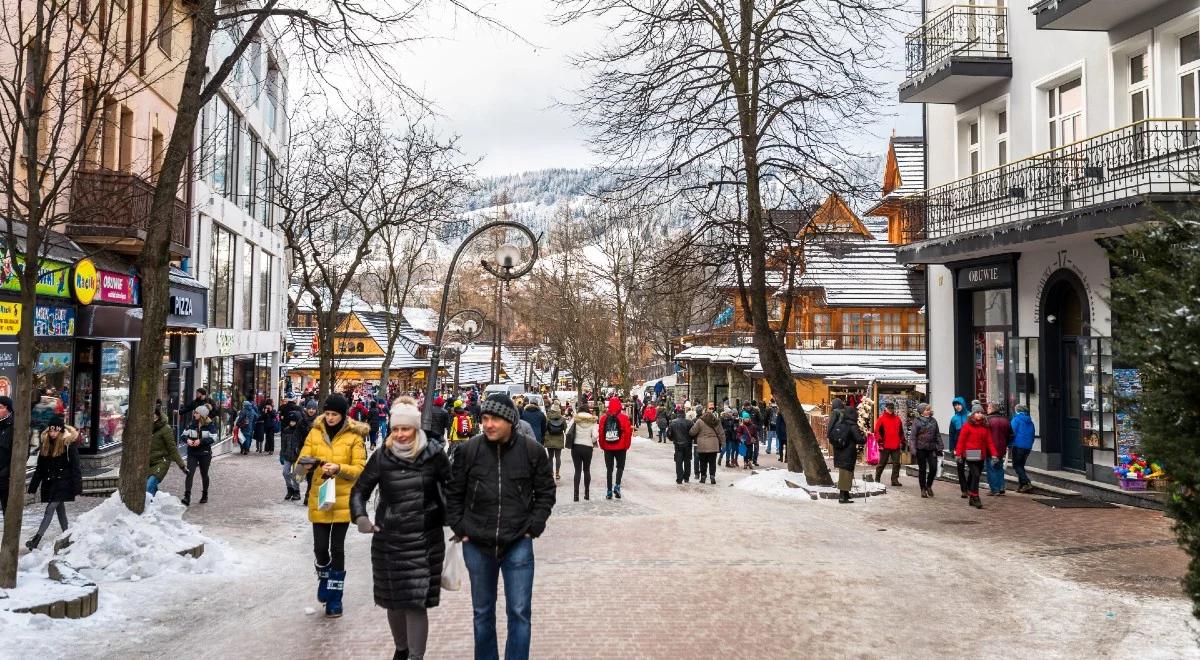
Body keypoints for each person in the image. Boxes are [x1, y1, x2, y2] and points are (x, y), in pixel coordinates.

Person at [444, 393, 556, 660]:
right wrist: (460, 527)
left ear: (510, 421)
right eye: (484, 418)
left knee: (519, 612)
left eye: (495, 418)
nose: (489, 424)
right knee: (482, 613)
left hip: (518, 540)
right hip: (477, 543)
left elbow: (546, 492)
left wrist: (535, 525)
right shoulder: (468, 451)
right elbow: (454, 492)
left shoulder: (532, 452)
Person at [351, 397, 451, 660]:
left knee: (415, 603)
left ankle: (416, 657)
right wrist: (360, 516)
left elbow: (453, 488)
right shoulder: (382, 456)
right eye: (395, 429)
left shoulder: (433, 454)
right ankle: (401, 650)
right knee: (393, 601)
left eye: (405, 429)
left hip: (425, 539)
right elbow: (360, 490)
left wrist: (456, 518)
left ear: (416, 428)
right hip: (389, 540)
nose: (400, 434)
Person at [294, 393, 367, 617]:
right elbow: (301, 461)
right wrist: (305, 465)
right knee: (319, 548)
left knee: (337, 549)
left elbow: (360, 469)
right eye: (327, 413)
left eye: (334, 414)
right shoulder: (315, 432)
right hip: (322, 497)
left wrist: (339, 468)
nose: (330, 417)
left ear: (343, 415)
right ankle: (324, 580)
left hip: (343, 499)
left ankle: (335, 598)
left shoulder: (355, 437)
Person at [24, 416, 82, 549]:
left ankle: (36, 539)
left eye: (56, 431)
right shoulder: (46, 444)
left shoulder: (68, 445)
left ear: (61, 431)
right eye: (51, 431)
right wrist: (33, 486)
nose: (53, 433)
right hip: (51, 484)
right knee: (60, 511)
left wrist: (77, 486)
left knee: (50, 509)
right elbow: (40, 469)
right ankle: (67, 536)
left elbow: (76, 467)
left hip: (64, 484)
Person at [828, 399, 866, 504]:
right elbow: (859, 439)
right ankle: (842, 497)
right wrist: (865, 437)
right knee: (846, 475)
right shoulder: (852, 425)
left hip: (840, 452)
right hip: (848, 453)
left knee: (844, 474)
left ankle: (845, 494)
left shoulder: (842, 423)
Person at [954, 404, 993, 509]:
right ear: (973, 414)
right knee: (975, 475)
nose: (979, 414)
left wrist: (994, 454)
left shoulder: (985, 426)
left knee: (976, 476)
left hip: (981, 454)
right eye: (977, 412)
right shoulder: (967, 426)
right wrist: (958, 454)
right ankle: (975, 497)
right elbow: (961, 441)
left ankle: (972, 497)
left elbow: (989, 442)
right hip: (970, 453)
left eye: (981, 413)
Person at [181, 405, 219, 506]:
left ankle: (205, 494)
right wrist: (187, 440)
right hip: (192, 452)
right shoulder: (191, 423)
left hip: (204, 453)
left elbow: (214, 438)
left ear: (202, 415)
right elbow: (183, 435)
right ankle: (187, 496)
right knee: (189, 473)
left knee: (204, 474)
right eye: (195, 412)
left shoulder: (210, 425)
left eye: (196, 413)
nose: (194, 414)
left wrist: (201, 441)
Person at [597, 395, 633, 499]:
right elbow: (628, 433)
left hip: (608, 447)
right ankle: (617, 485)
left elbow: (601, 433)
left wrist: (602, 445)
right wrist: (626, 446)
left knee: (609, 469)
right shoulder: (624, 417)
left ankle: (608, 490)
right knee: (620, 467)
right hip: (621, 447)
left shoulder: (603, 418)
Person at [147, 408, 187, 496]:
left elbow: (172, 449)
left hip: (161, 462)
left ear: (157, 416)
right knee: (152, 489)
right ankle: (154, 506)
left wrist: (182, 466)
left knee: (148, 487)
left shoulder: (166, 429)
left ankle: (148, 507)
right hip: (148, 463)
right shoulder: (147, 428)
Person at [908, 403, 942, 498]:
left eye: (929, 409)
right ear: (922, 412)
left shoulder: (934, 421)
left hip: (931, 448)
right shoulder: (917, 421)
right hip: (921, 449)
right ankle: (923, 488)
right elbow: (913, 437)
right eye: (927, 410)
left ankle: (929, 485)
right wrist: (913, 449)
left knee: (933, 468)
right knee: (922, 469)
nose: (929, 411)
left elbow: (938, 434)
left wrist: (940, 446)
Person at [565, 406, 598, 501]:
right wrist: (591, 441)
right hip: (587, 447)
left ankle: (576, 495)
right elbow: (595, 435)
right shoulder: (592, 420)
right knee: (587, 470)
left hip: (576, 447)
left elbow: (568, 431)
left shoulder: (575, 419)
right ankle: (587, 494)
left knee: (577, 471)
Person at [873, 401, 905, 487]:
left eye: (892, 408)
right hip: (885, 445)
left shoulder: (897, 419)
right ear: (885, 409)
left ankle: (894, 480)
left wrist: (903, 441)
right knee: (882, 463)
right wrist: (880, 441)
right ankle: (877, 478)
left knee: (897, 463)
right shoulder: (881, 419)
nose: (890, 410)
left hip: (895, 445)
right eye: (889, 408)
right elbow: (877, 431)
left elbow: (901, 432)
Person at [985, 402, 1013, 496]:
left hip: (990, 448)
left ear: (992, 409)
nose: (987, 409)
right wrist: (1007, 444)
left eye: (988, 408)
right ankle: (1001, 487)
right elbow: (1011, 435)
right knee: (999, 468)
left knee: (991, 468)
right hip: (1001, 448)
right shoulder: (1005, 420)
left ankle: (994, 489)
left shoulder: (987, 420)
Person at [690, 406, 722, 485]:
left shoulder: (699, 421)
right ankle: (712, 476)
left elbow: (692, 432)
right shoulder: (716, 421)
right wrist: (722, 443)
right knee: (712, 462)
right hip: (713, 445)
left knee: (703, 462)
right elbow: (721, 433)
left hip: (702, 445)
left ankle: (703, 477)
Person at [279, 410, 305, 501]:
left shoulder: (300, 432)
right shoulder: (286, 430)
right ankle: (289, 489)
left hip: (297, 456)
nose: (292, 423)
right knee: (285, 472)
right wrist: (281, 454)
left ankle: (296, 491)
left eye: (294, 421)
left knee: (296, 474)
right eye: (290, 421)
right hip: (287, 455)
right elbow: (283, 444)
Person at [1010, 404, 1036, 493]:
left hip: (1018, 446)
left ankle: (1027, 482)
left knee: (1016, 465)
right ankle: (1022, 486)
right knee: (1020, 466)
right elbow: (1032, 435)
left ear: (1017, 410)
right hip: (1027, 447)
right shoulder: (1030, 421)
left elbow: (1011, 433)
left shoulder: (1016, 420)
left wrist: (1009, 445)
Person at [947, 397, 970, 497]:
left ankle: (969, 487)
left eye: (959, 404)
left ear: (963, 404)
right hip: (959, 448)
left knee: (973, 469)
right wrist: (952, 449)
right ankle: (964, 490)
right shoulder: (954, 419)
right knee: (960, 469)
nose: (957, 407)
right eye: (955, 405)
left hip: (971, 448)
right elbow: (951, 435)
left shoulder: (970, 416)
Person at [667, 405, 693, 484]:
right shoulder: (689, 422)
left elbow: (669, 434)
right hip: (687, 444)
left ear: (678, 414)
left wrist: (673, 439)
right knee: (687, 461)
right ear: (684, 415)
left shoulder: (673, 422)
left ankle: (679, 478)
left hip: (678, 444)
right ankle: (686, 477)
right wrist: (690, 439)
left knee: (678, 462)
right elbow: (693, 433)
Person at [543, 403, 567, 480]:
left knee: (550, 457)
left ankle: (551, 473)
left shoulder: (547, 418)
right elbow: (565, 429)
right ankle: (557, 473)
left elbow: (544, 428)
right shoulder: (562, 419)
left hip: (549, 439)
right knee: (558, 457)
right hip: (559, 439)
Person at [0, 396, 14, 515]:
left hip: (5, 475)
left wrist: (7, 471)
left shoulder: (13, 426)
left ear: (8, 409)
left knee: (7, 509)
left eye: (0, 407)